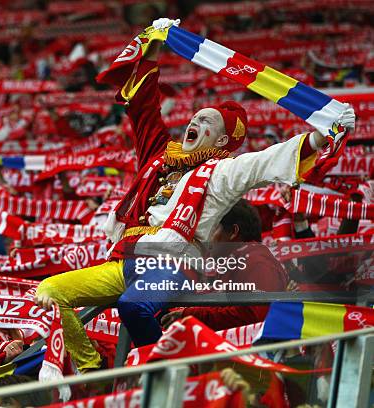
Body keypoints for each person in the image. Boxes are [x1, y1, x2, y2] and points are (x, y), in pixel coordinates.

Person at [35, 18, 356, 372]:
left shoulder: (221, 172)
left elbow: (265, 162)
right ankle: (92, 369)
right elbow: (144, 109)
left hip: (173, 265)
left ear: (221, 142)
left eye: (207, 123)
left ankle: (165, 372)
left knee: (134, 306)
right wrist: (154, 45)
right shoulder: (160, 157)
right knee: (50, 292)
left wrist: (321, 135)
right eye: (196, 117)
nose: (194, 122)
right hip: (124, 263)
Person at [161, 199, 288, 331]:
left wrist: (188, 314)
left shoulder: (258, 262)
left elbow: (252, 315)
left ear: (233, 232)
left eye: (212, 228)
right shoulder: (236, 262)